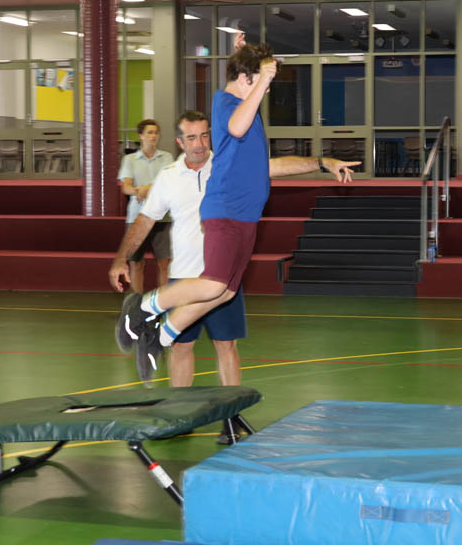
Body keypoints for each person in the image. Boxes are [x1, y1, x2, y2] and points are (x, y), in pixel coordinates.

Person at [117, 43, 360, 377]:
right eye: (263, 82)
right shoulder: (226, 103)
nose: (267, 90)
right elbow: (235, 126)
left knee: (225, 292)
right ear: (246, 79)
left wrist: (323, 162)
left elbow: (268, 163)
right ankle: (142, 307)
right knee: (213, 286)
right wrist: (259, 78)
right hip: (227, 211)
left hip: (246, 217)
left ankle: (159, 337)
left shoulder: (244, 108)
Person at [111, 111, 247, 443]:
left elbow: (271, 168)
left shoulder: (226, 166)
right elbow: (145, 221)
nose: (199, 144)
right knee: (181, 346)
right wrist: (120, 259)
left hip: (222, 275)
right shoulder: (169, 176)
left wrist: (321, 162)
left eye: (204, 135)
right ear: (179, 142)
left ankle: (231, 419)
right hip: (184, 278)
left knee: (226, 345)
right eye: (191, 137)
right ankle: (180, 417)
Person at [117, 119, 174, 293]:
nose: (154, 136)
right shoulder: (129, 159)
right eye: (150, 132)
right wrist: (138, 191)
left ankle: (164, 302)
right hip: (136, 217)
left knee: (164, 262)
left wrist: (145, 189)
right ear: (141, 136)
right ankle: (136, 303)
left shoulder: (167, 157)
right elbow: (126, 187)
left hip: (162, 217)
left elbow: (166, 183)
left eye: (156, 132)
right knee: (136, 263)